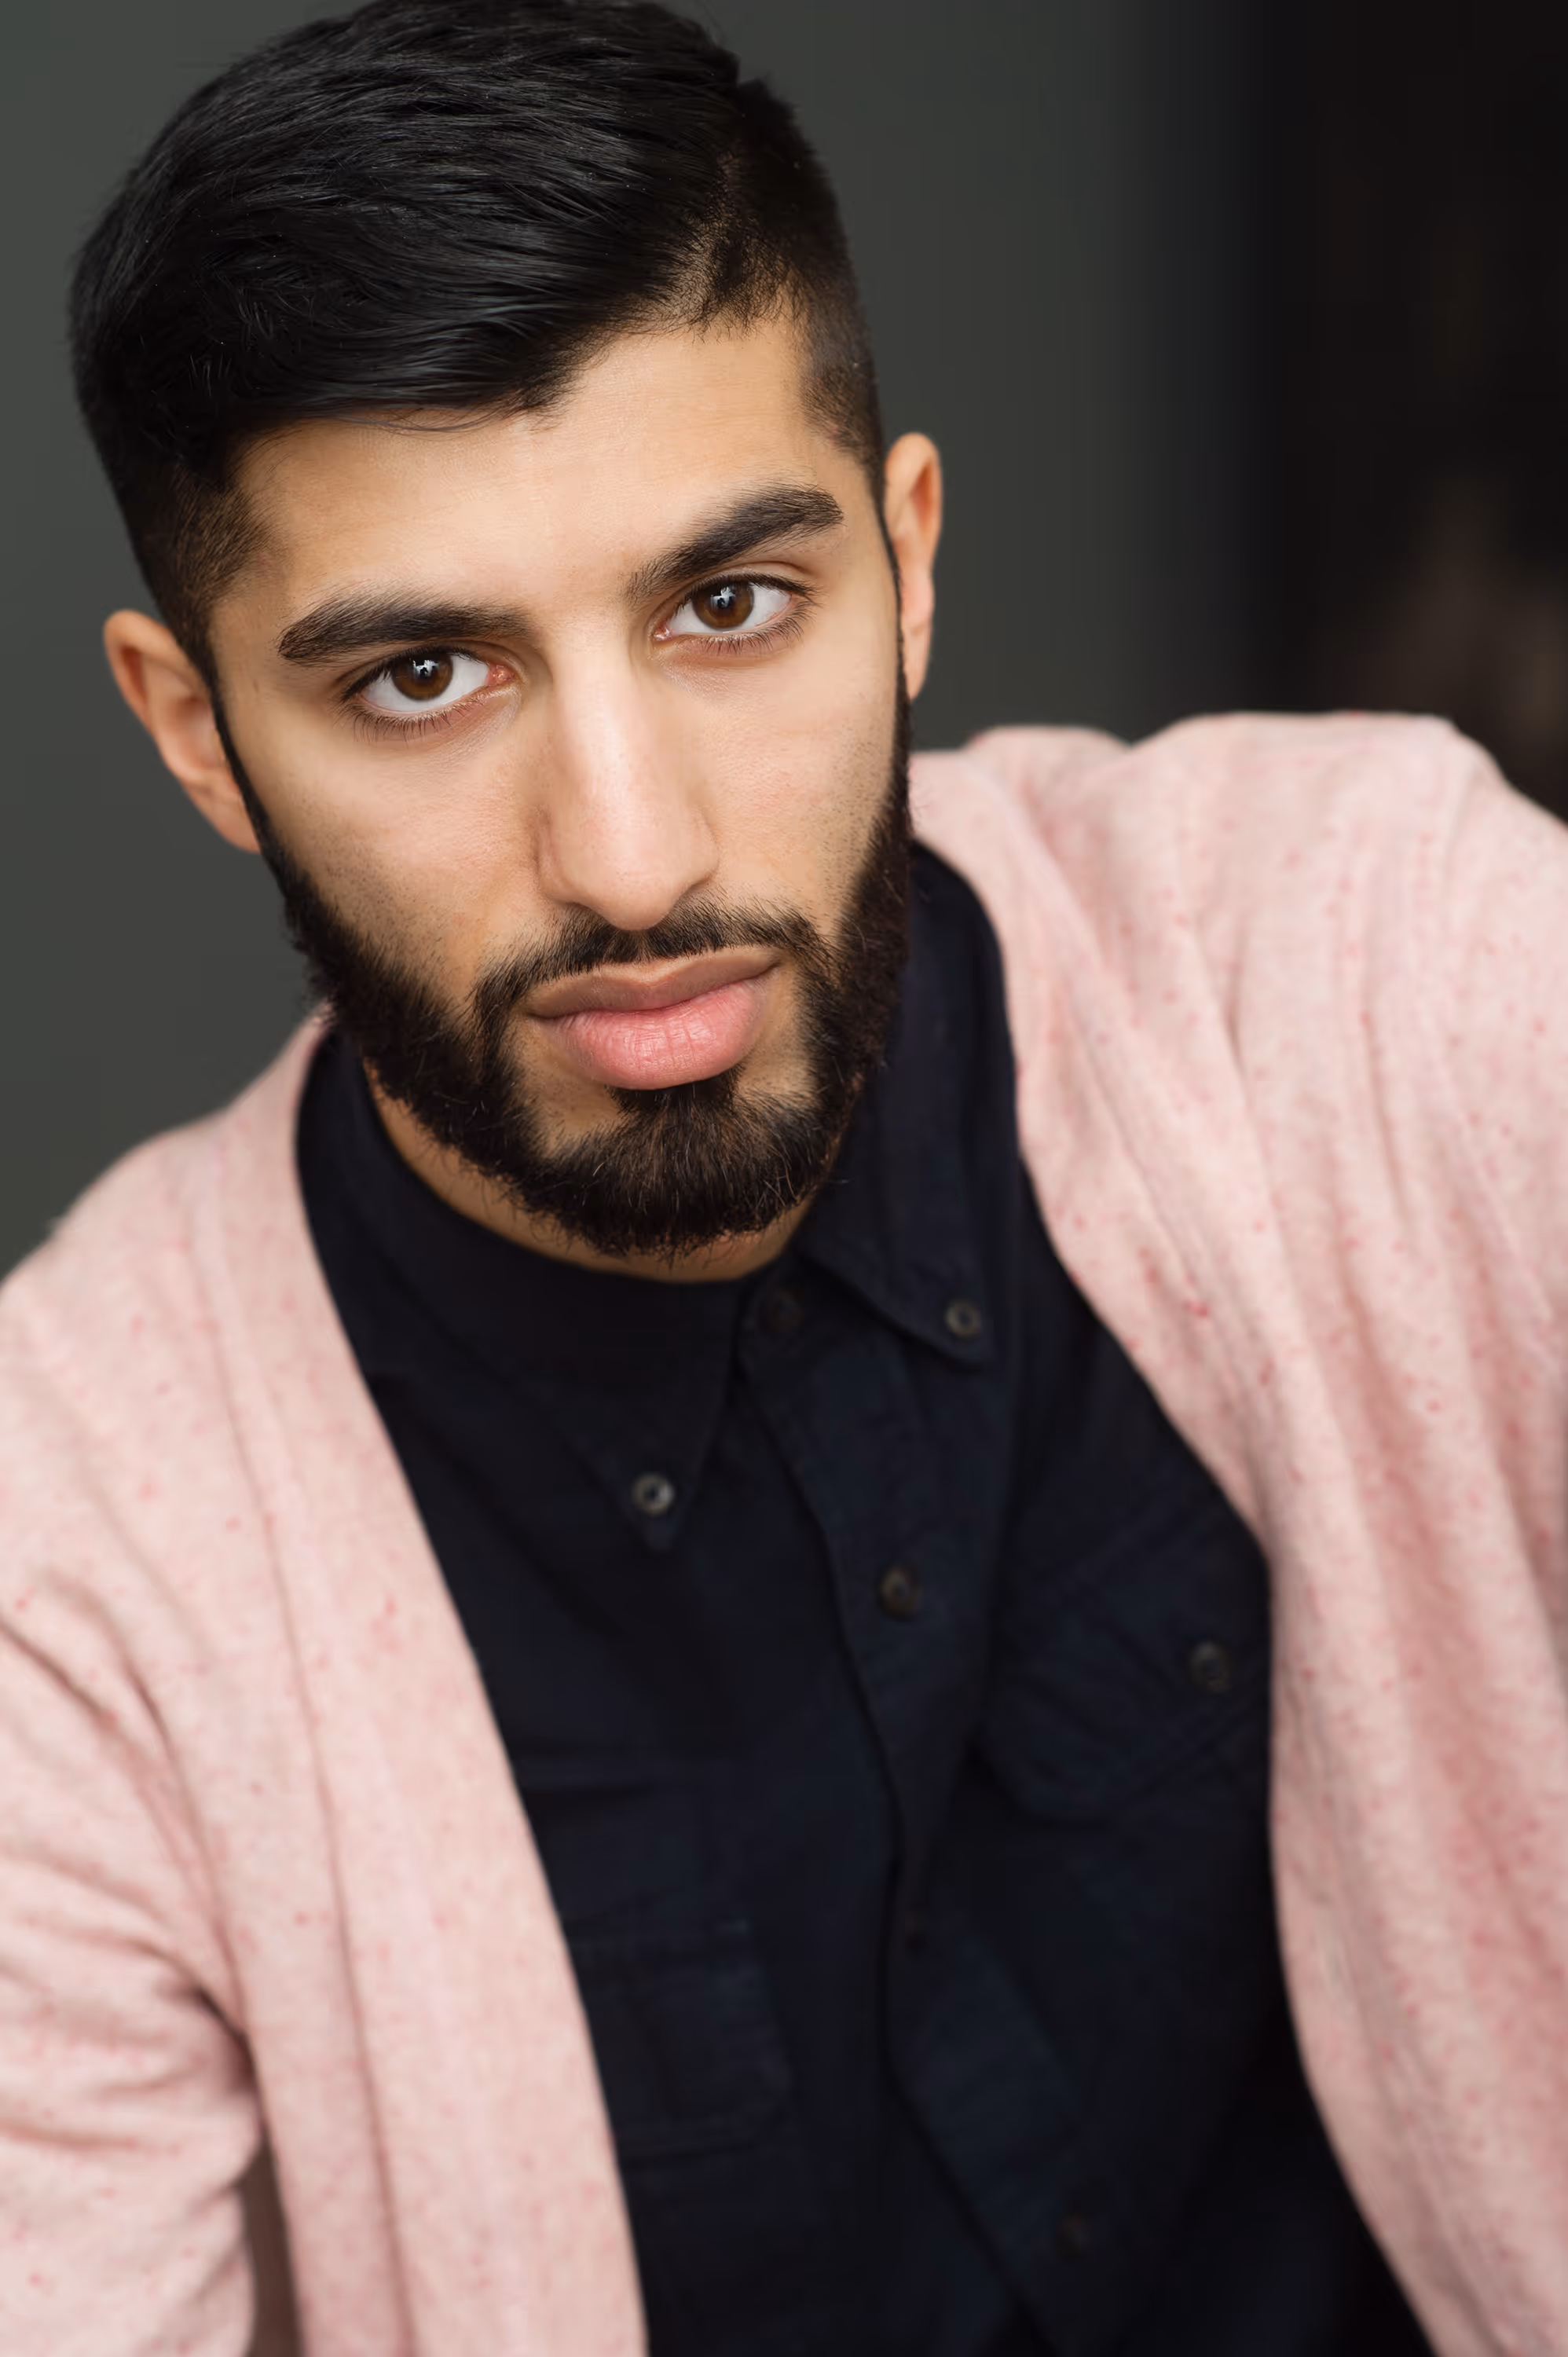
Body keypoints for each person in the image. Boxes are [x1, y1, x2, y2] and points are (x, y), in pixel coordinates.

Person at [3, 0, 1564, 2349]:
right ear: (197, 732)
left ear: (906, 563)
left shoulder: (1364, 969)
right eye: (422, 678)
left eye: (729, 606)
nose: (634, 861)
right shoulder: (68, 1584)